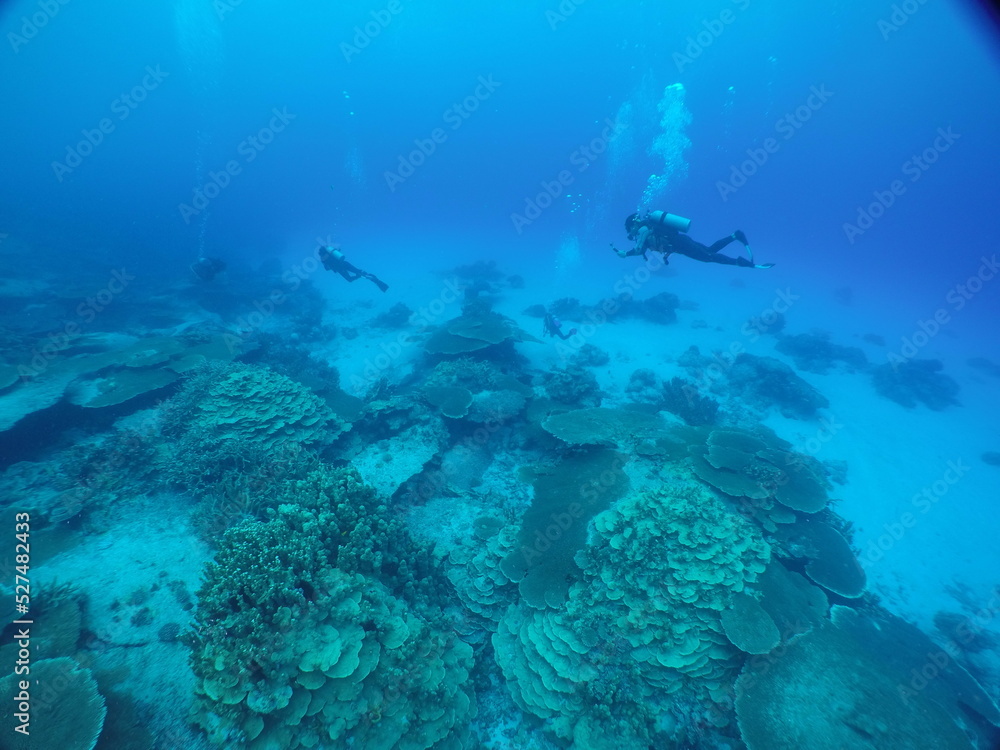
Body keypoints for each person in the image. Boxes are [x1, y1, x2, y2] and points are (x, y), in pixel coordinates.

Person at [613, 211, 774, 269]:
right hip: (682, 241)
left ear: (633, 224)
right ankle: (735, 236)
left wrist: (625, 254)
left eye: (629, 228)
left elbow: (639, 249)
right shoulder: (649, 227)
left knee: (708, 257)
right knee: (710, 251)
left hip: (680, 245)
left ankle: (744, 263)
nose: (630, 232)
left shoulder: (643, 229)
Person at [318, 245, 389, 292]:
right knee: (359, 272)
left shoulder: (323, 259)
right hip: (345, 263)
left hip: (340, 269)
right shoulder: (331, 252)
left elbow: (327, 269)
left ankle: (359, 276)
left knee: (349, 279)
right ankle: (373, 279)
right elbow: (340, 256)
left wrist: (329, 264)